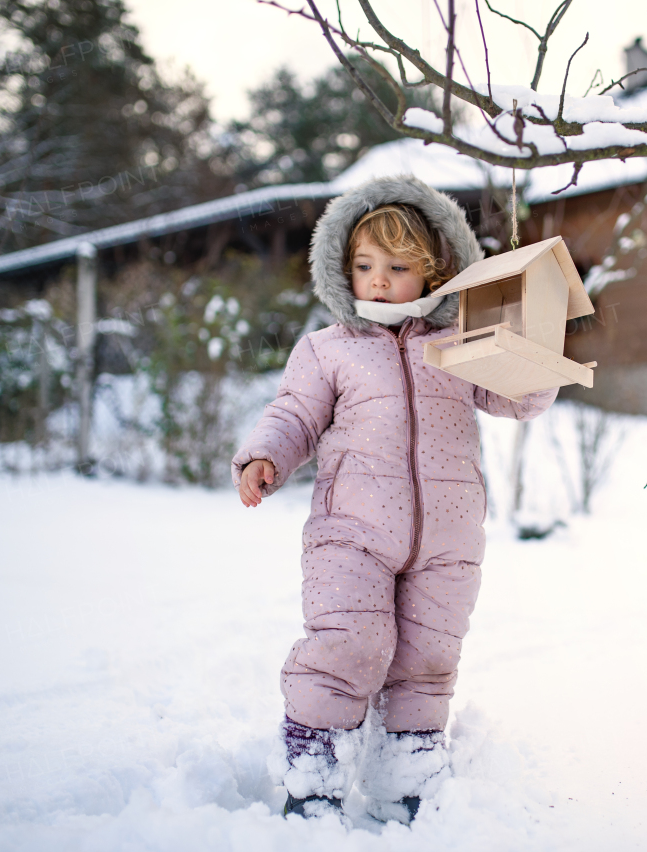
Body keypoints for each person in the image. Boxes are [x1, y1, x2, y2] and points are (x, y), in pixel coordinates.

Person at [232, 175, 558, 822]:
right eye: (363, 265)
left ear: (437, 270)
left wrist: (535, 347)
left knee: (428, 657)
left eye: (398, 266)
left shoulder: (462, 343)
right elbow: (294, 414)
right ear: (339, 268)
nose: (377, 280)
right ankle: (313, 772)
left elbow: (517, 398)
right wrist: (266, 454)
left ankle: (408, 776)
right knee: (348, 642)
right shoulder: (327, 350)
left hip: (448, 540)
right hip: (351, 533)